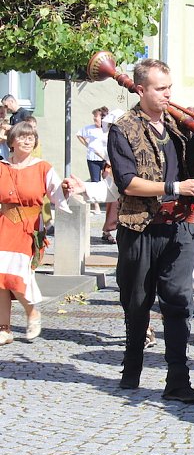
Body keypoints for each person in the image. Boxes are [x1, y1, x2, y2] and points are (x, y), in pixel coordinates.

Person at [104, 58, 194, 403]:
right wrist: (176, 187)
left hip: (181, 226)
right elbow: (127, 183)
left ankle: (177, 380)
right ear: (140, 90)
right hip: (140, 227)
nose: (168, 94)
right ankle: (133, 366)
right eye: (160, 89)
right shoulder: (122, 128)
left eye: (170, 87)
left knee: (179, 302)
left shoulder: (178, 123)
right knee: (137, 302)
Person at [0, 123, 71, 345]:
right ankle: (4, 328)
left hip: (29, 227)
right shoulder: (2, 167)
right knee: (0, 276)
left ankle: (32, 312)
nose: (27, 140)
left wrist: (66, 190)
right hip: (4, 224)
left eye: (31, 137)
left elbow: (58, 194)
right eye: (22, 136)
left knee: (15, 274)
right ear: (12, 141)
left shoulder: (43, 167)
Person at [77, 106, 111, 214]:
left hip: (106, 158)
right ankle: (96, 207)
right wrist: (88, 145)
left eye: (96, 117)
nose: (94, 119)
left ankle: (110, 205)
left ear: (102, 117)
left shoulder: (107, 129)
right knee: (95, 180)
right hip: (93, 158)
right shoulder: (89, 128)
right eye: (94, 117)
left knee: (108, 179)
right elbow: (79, 135)